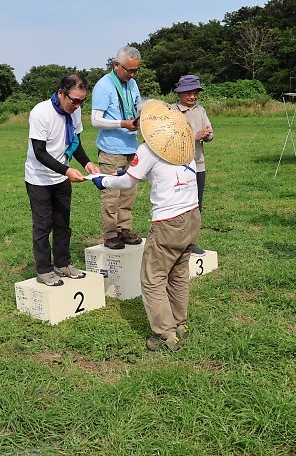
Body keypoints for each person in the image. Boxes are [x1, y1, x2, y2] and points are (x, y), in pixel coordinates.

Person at [92, 100, 200, 351]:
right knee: (178, 274)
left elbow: (127, 183)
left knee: (153, 279)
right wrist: (129, 173)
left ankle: (165, 335)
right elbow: (161, 173)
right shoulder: (183, 145)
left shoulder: (147, 149)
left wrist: (103, 181)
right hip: (193, 216)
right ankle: (180, 324)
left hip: (168, 223)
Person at [24, 74, 100, 286]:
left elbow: (75, 142)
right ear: (60, 93)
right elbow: (39, 152)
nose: (77, 105)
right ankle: (44, 270)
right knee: (43, 226)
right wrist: (66, 171)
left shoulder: (75, 111)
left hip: (61, 177)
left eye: (82, 101)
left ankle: (62, 264)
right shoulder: (41, 112)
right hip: (39, 179)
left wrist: (86, 163)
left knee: (62, 225)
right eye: (74, 100)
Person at [91, 46, 143, 250]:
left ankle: (124, 230)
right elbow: (95, 120)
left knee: (129, 192)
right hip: (111, 150)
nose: (132, 75)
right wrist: (122, 123)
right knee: (112, 195)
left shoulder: (132, 83)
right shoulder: (103, 86)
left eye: (136, 70)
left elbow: (137, 107)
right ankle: (111, 234)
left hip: (132, 147)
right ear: (117, 65)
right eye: (129, 70)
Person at [172, 75, 213, 255]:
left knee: (196, 205)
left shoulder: (200, 110)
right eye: (189, 93)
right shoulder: (171, 111)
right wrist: (195, 137)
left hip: (198, 164)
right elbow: (169, 139)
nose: (193, 97)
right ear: (180, 93)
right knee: (178, 205)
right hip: (177, 166)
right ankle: (176, 242)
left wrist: (207, 135)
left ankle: (191, 242)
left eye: (196, 93)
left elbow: (210, 133)